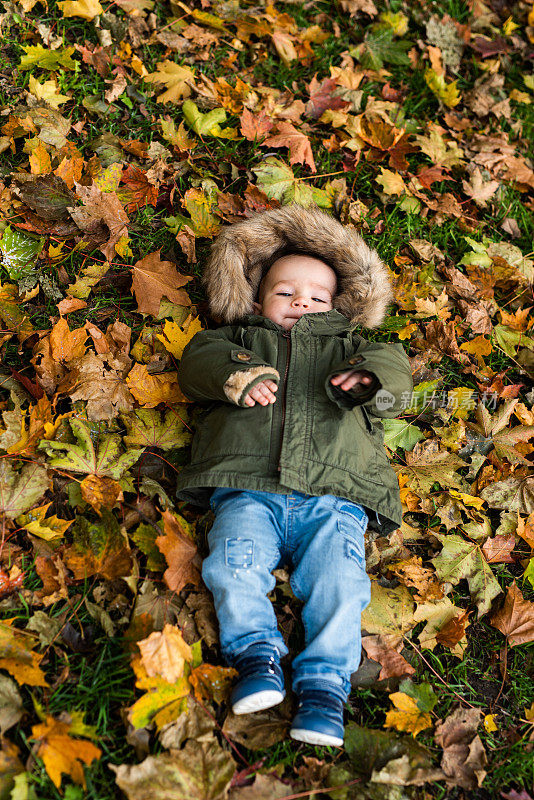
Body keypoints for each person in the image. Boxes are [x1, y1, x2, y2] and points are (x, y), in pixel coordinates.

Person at [176, 204, 413, 747]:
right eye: (284, 293)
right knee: (233, 565)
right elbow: (197, 369)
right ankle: (256, 655)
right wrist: (237, 376)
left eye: (317, 296)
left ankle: (326, 686)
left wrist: (370, 382)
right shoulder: (235, 340)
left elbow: (396, 376)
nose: (300, 301)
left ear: (341, 306)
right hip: (248, 489)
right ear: (257, 299)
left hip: (333, 497)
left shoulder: (354, 347)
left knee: (341, 583)